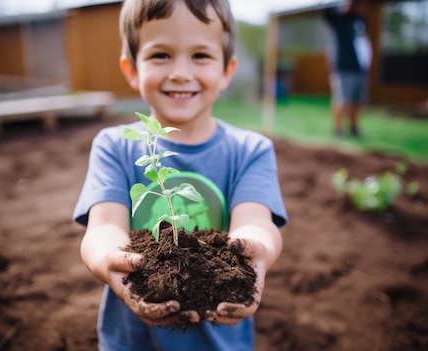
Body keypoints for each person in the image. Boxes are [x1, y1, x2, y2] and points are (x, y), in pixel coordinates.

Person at [72, 0, 287, 350]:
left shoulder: (250, 150)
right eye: (161, 55)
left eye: (200, 55)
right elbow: (104, 226)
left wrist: (253, 252)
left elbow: (256, 221)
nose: (181, 73)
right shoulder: (114, 146)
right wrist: (110, 257)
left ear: (227, 70)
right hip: (132, 340)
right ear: (131, 69)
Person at [323, 0, 371, 137]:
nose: (362, 7)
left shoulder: (360, 22)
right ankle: (338, 129)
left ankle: (354, 128)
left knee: (357, 101)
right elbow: (326, 12)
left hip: (360, 68)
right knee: (343, 99)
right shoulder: (339, 20)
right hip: (343, 68)